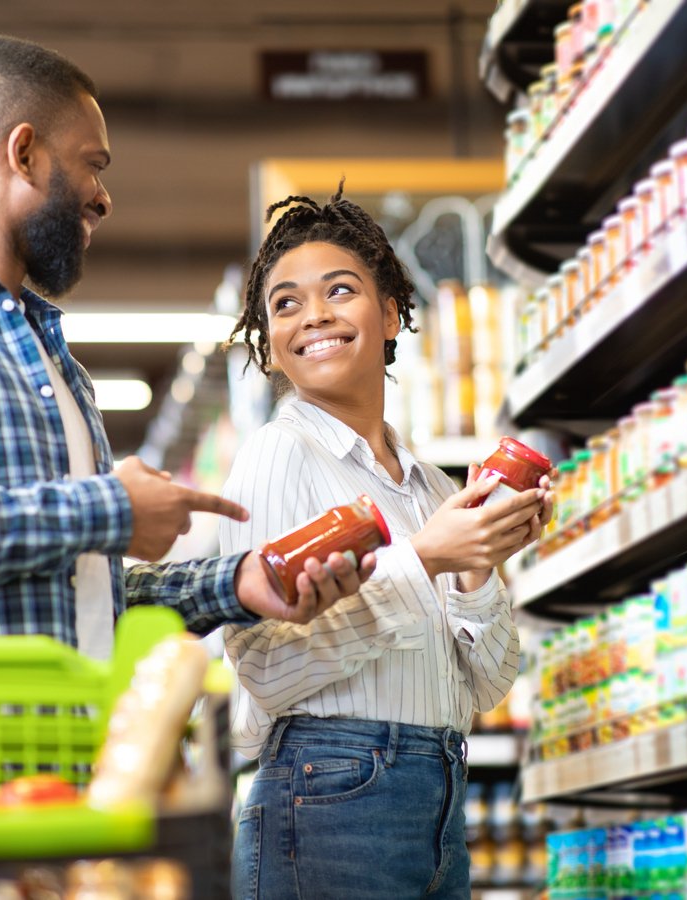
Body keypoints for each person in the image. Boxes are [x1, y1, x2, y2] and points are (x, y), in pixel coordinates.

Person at [0, 35, 373, 662]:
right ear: (25, 153)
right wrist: (106, 507)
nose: (103, 197)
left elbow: (85, 592)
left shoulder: (53, 361)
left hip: (63, 747)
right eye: (94, 164)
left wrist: (237, 583)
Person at [220, 183, 552, 899]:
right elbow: (264, 667)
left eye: (339, 290)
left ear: (392, 313)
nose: (314, 315)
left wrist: (477, 565)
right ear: (271, 346)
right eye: (285, 303)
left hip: (437, 797)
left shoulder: (433, 488)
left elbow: (489, 686)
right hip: (328, 797)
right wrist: (427, 558)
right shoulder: (279, 456)